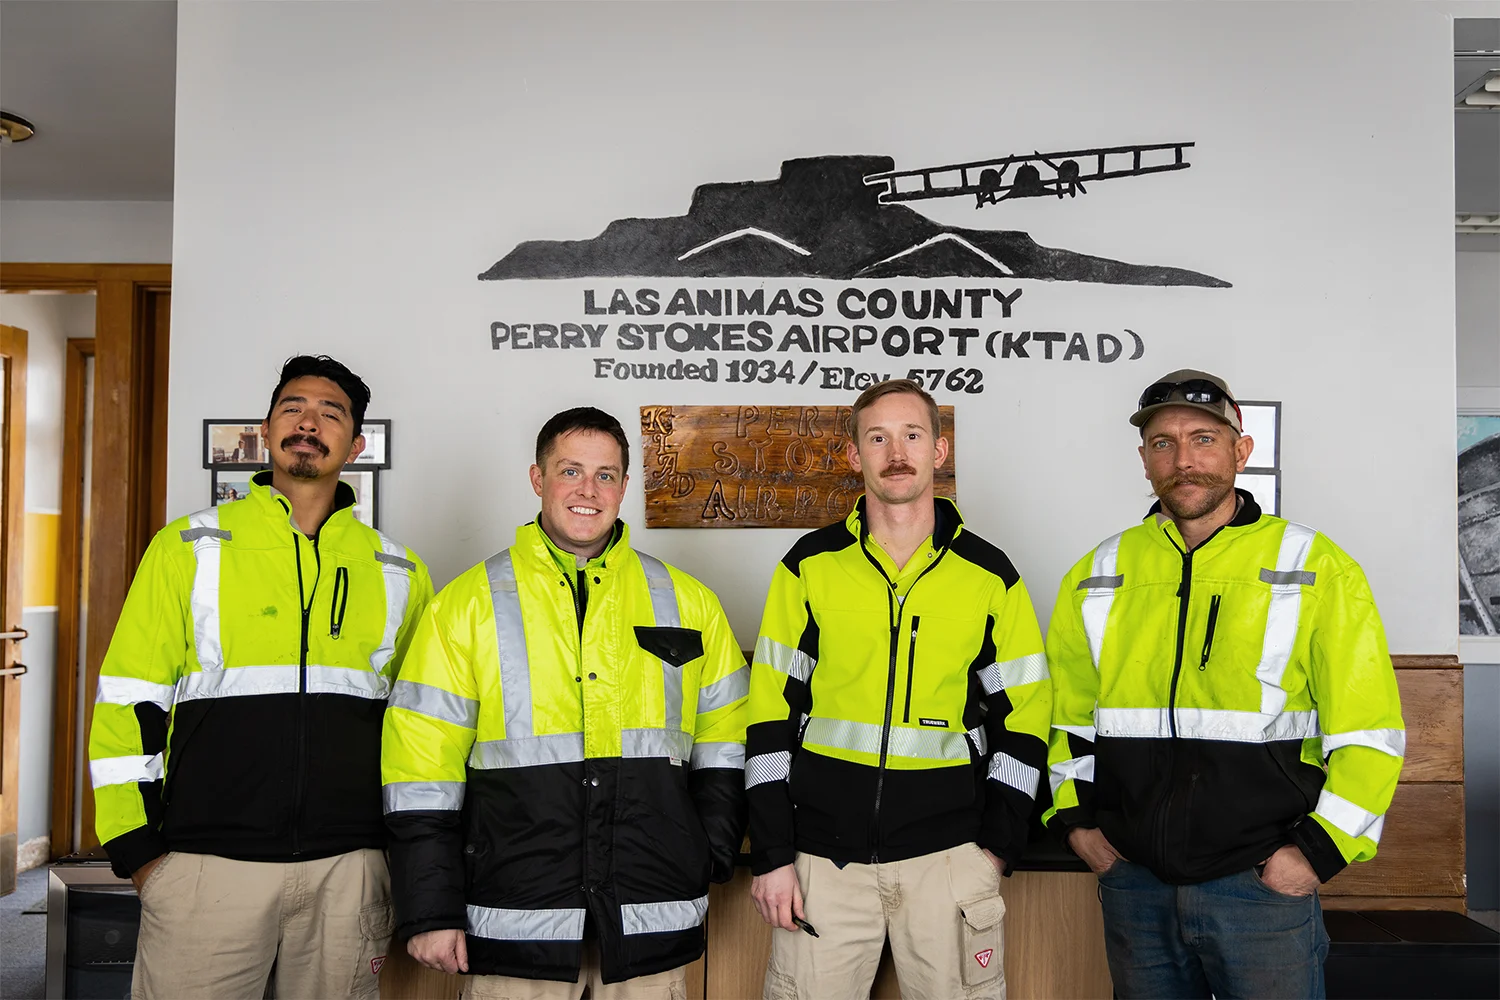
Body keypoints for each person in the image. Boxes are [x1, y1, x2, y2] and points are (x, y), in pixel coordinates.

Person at [1043, 369, 1405, 999]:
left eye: (1204, 439)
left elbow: (1369, 731)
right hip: (1135, 885)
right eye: (1163, 443)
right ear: (1144, 459)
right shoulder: (1098, 573)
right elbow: (1067, 719)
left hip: (1260, 886)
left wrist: (1315, 854)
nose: (1184, 460)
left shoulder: (1316, 567)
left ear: (1242, 451)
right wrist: (1078, 826)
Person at [88, 355, 434, 999]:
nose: (309, 423)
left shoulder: (400, 571)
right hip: (206, 867)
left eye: (330, 413)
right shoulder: (188, 547)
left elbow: (420, 730)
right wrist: (139, 853)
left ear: (355, 445)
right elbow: (129, 702)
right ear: (267, 430)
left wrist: (404, 857)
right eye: (292, 408)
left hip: (350, 872)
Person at [383, 406, 748, 1000]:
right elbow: (420, 768)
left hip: (650, 912)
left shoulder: (689, 602)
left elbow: (727, 743)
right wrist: (429, 908)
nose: (588, 490)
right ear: (538, 478)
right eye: (570, 471)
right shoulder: (466, 604)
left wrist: (705, 854)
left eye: (606, 475)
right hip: (512, 916)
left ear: (625, 487)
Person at [747, 379, 1051, 1000]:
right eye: (877, 437)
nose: (896, 453)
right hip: (823, 863)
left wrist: (995, 848)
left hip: (950, 859)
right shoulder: (809, 565)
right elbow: (770, 716)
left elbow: (1024, 717)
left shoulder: (990, 575)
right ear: (854, 454)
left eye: (912, 435)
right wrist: (773, 852)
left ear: (939, 450)